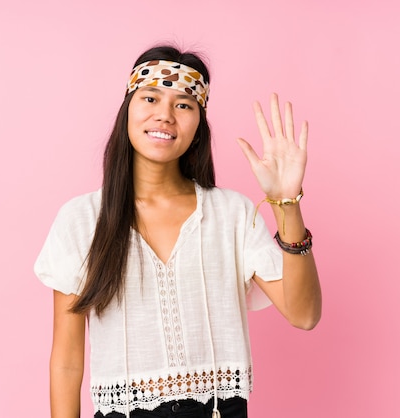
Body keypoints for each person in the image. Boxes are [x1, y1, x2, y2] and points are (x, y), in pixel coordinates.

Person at [34, 45, 321, 418]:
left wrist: (287, 202)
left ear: (199, 125)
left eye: (184, 104)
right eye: (150, 97)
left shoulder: (231, 213)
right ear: (127, 111)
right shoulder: (81, 219)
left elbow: (304, 314)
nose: (165, 115)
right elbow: (67, 361)